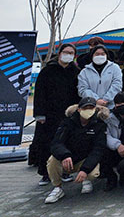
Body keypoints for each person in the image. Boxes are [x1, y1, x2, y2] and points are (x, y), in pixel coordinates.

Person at [44, 97, 108, 204]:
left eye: (91, 108)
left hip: (85, 159)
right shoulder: (67, 123)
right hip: (68, 159)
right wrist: (64, 155)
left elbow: (98, 150)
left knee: (93, 172)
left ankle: (87, 180)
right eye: (85, 108)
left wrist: (85, 169)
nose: (88, 110)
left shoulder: (99, 125)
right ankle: (57, 187)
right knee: (52, 161)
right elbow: (56, 143)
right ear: (79, 109)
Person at [32, 43, 80, 186]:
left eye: (71, 53)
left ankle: (65, 172)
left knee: (67, 142)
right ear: (59, 54)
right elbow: (39, 93)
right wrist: (39, 114)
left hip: (68, 114)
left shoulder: (76, 72)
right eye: (66, 52)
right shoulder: (48, 71)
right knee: (46, 143)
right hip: (49, 114)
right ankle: (45, 173)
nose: (68, 55)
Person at [101, 91, 124, 191]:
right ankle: (111, 178)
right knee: (101, 152)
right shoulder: (108, 117)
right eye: (119, 103)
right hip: (115, 148)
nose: (122, 105)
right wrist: (117, 145)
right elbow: (105, 135)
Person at [78, 45, 123, 109]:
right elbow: (83, 89)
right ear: (92, 56)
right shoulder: (84, 72)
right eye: (97, 54)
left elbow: (117, 85)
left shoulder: (115, 68)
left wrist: (106, 99)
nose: (100, 56)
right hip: (91, 106)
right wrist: (96, 100)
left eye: (102, 54)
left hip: (111, 106)